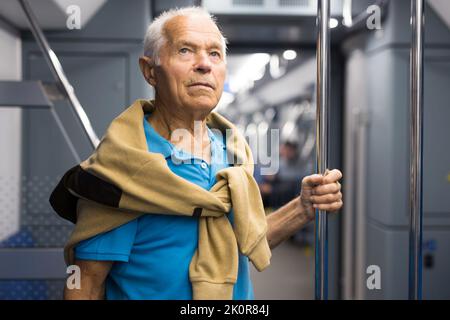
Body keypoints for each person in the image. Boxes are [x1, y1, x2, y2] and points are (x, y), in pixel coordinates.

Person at [62, 7, 343, 300]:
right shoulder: (123, 169)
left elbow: (245, 238)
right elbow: (86, 284)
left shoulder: (233, 151)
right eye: (185, 50)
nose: (204, 65)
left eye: (215, 54)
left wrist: (303, 207)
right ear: (149, 71)